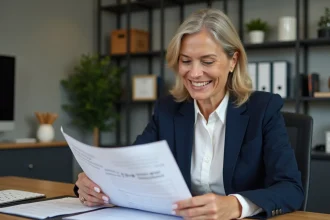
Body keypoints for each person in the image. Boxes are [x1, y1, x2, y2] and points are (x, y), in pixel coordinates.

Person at [74, 8, 304, 219]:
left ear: (233, 60)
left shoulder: (262, 109)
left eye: (207, 61)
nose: (194, 73)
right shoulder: (168, 110)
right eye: (186, 61)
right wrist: (89, 185)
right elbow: (129, 169)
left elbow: (290, 188)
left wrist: (235, 205)